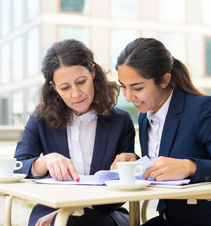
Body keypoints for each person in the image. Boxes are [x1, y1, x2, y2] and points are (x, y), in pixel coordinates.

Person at [111, 38, 211, 226]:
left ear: (164, 80)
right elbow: (166, 161)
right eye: (123, 86)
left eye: (137, 88)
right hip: (169, 220)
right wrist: (137, 163)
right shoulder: (145, 116)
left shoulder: (203, 109)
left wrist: (190, 167)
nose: (128, 97)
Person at [14, 39, 135, 226]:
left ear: (93, 72)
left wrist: (128, 166)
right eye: (65, 87)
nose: (76, 94)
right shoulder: (40, 120)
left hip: (105, 214)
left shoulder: (121, 121)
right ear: (53, 87)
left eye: (81, 82)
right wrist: (45, 161)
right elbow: (17, 167)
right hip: (52, 211)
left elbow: (125, 186)